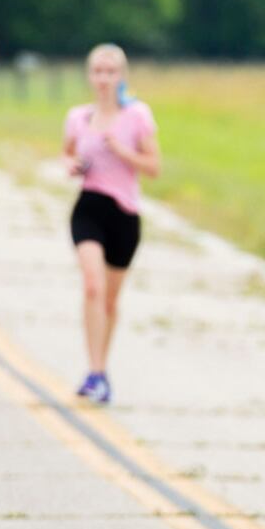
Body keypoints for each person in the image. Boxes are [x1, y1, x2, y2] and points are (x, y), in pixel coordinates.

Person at [61, 44, 161, 405]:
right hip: (89, 207)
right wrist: (71, 165)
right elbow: (68, 151)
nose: (103, 78)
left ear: (121, 76)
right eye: (97, 71)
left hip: (125, 214)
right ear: (89, 76)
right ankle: (95, 372)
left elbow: (154, 167)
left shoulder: (137, 116)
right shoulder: (78, 117)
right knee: (92, 286)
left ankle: (103, 368)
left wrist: (123, 152)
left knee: (110, 299)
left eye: (110, 72)